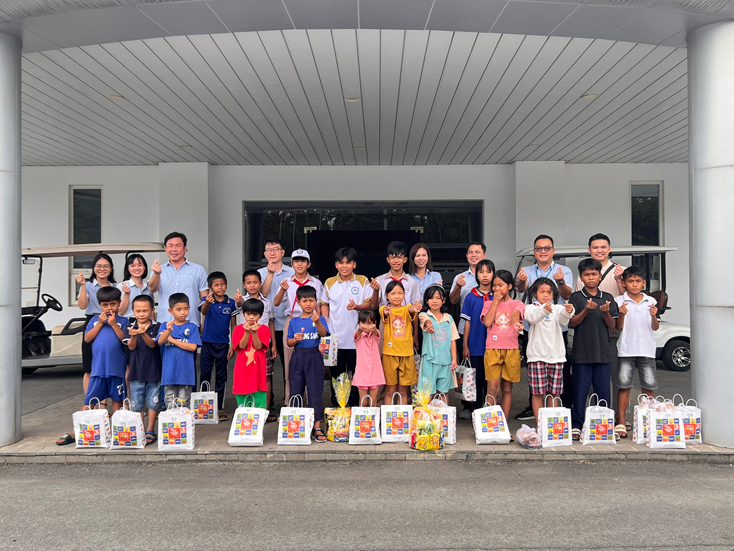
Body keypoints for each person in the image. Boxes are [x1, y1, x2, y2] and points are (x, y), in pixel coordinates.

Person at [515, 234, 574, 420]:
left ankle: (558, 414)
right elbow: (521, 289)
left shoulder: (564, 270)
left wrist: (561, 282)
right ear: (534, 252)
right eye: (539, 249)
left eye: (546, 248)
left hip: (557, 331)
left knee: (560, 378)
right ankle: (536, 413)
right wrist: (522, 281)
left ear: (553, 251)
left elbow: (567, 294)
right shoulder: (526, 269)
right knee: (537, 380)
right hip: (533, 332)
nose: (543, 251)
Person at [574, 233, 627, 418]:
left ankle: (608, 419)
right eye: (595, 247)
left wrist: (620, 280)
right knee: (583, 383)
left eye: (603, 247)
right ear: (589, 250)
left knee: (610, 378)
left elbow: (624, 302)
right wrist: (586, 309)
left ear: (609, 249)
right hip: (585, 339)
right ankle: (584, 419)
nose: (599, 250)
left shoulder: (619, 271)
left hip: (608, 336)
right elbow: (574, 314)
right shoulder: (580, 285)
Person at [568, 258, 619, 440]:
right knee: (580, 391)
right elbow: (571, 323)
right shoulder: (576, 297)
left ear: (599, 276)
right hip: (582, 353)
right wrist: (586, 310)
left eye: (594, 274)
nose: (590, 277)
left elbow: (613, 324)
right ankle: (577, 424)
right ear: (581, 277)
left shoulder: (608, 298)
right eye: (586, 274)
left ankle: (604, 425)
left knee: (603, 391)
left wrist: (605, 312)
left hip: (603, 353)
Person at [321, 247, 373, 407]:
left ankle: (353, 407)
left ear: (354, 264)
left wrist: (357, 307)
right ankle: (337, 408)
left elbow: (369, 304)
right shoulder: (329, 282)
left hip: (357, 338)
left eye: (348, 263)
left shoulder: (363, 280)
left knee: (356, 375)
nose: (345, 266)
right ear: (336, 265)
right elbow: (324, 304)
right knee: (336, 376)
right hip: (335, 339)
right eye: (341, 263)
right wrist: (326, 321)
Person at [614, 266, 659, 439]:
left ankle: (649, 421)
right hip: (626, 349)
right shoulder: (619, 301)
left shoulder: (651, 301)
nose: (634, 285)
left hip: (647, 350)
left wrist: (654, 315)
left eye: (638, 281)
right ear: (624, 283)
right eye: (630, 281)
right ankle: (621, 421)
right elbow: (618, 327)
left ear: (644, 283)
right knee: (624, 386)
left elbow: (655, 327)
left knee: (648, 387)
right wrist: (622, 314)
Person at [273, 248, 323, 404]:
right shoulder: (287, 282)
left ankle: (311, 404)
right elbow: (275, 302)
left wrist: (318, 322)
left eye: (303, 261)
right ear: (292, 264)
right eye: (296, 261)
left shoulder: (316, 283)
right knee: (290, 365)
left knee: (310, 364)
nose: (299, 264)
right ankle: (291, 403)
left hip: (311, 322)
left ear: (308, 264)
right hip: (293, 321)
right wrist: (282, 288)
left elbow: (319, 306)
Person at [524, 278, 575, 424]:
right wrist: (544, 309)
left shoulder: (558, 308)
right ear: (535, 293)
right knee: (538, 392)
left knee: (554, 393)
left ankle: (551, 424)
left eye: (549, 292)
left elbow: (564, 320)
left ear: (553, 293)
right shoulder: (530, 308)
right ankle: (540, 424)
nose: (545, 295)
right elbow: (533, 318)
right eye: (542, 292)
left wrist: (568, 311)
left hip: (556, 356)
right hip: (536, 356)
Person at [286, 286, 330, 443]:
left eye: (311, 300)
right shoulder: (294, 321)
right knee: (296, 390)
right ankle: (296, 424)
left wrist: (318, 321)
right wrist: (295, 339)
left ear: (316, 301)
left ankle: (317, 426)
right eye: (304, 301)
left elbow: (324, 334)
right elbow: (289, 343)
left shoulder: (320, 319)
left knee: (315, 391)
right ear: (298, 303)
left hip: (314, 355)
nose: (308, 304)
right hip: (298, 356)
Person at [234, 270, 278, 421]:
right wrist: (247, 331)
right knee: (246, 377)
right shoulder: (242, 302)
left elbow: (270, 322)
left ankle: (265, 410)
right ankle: (246, 410)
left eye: (255, 282)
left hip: (263, 343)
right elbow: (240, 304)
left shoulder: (266, 303)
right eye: (248, 282)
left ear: (261, 283)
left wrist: (273, 344)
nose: (252, 285)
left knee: (266, 377)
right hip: (245, 350)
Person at [481, 270, 525, 419]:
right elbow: (487, 322)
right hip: (492, 349)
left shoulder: (517, 303)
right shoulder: (488, 303)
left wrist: (515, 323)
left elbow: (515, 314)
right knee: (492, 388)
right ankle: (490, 424)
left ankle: (504, 424)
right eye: (494, 286)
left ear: (510, 286)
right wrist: (495, 302)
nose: (496, 289)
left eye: (500, 285)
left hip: (511, 349)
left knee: (507, 388)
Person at [258, 238, 295, 405]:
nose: (272, 252)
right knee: (265, 369)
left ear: (283, 253)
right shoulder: (259, 273)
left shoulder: (292, 272)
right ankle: (267, 401)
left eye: (276, 249)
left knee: (289, 366)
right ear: (265, 254)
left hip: (287, 325)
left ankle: (288, 400)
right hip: (265, 327)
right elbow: (261, 296)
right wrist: (270, 275)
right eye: (268, 249)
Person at [76, 253, 116, 399]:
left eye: (106, 266)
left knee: (108, 366)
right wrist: (82, 286)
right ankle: (90, 402)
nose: (102, 269)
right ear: (93, 268)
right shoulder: (88, 285)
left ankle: (104, 403)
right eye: (98, 266)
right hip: (93, 323)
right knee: (90, 366)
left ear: (111, 269)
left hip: (111, 324)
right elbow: (82, 305)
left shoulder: (115, 287)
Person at [82, 286, 129, 411]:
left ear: (119, 303)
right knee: (90, 400)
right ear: (100, 305)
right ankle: (79, 429)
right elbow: (87, 338)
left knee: (117, 399)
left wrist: (113, 324)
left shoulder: (123, 321)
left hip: (116, 369)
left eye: (113, 304)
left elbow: (124, 339)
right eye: (105, 305)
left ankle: (116, 428)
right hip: (98, 369)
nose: (109, 308)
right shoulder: (94, 321)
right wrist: (100, 324)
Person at [198, 271, 237, 421]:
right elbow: (204, 311)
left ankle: (219, 407)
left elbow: (233, 326)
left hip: (223, 345)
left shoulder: (231, 303)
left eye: (222, 284)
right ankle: (204, 408)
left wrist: (233, 345)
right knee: (205, 375)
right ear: (210, 287)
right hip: (207, 343)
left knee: (222, 376)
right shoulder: (206, 300)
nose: (220, 287)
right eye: (216, 285)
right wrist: (207, 302)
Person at [148, 231, 208, 327]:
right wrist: (156, 274)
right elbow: (152, 289)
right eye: (170, 246)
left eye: (178, 245)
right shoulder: (158, 269)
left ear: (185, 248)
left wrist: (204, 324)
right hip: (165, 324)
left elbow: (205, 300)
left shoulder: (198, 269)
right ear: (165, 248)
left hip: (191, 323)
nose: (174, 249)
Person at [125, 294, 163, 445]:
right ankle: (139, 429)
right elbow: (132, 347)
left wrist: (143, 333)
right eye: (138, 311)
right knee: (137, 404)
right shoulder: (130, 327)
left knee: (154, 403)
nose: (141, 314)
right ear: (133, 311)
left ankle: (150, 429)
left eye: (145, 311)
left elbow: (153, 345)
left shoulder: (157, 326)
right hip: (136, 372)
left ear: (152, 310)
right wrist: (134, 334)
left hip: (154, 371)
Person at [459, 258, 495, 418]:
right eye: (481, 272)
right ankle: (476, 409)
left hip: (494, 344)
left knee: (491, 379)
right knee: (477, 378)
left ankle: (490, 409)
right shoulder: (471, 296)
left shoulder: (498, 296)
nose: (485, 275)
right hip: (475, 343)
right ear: (476, 275)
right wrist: (465, 345)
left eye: (489, 271)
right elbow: (467, 322)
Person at [380, 281, 422, 406]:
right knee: (390, 389)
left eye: (400, 293)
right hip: (389, 354)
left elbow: (410, 309)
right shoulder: (384, 308)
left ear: (404, 294)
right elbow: (384, 313)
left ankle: (402, 420)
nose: (397, 296)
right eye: (393, 293)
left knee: (403, 390)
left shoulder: (406, 309)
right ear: (386, 295)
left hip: (406, 353)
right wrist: (387, 312)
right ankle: (388, 419)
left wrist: (415, 308)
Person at [157, 293, 201, 408]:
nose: (183, 312)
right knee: (170, 405)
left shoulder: (192, 327)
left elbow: (192, 347)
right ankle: (172, 426)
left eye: (186, 309)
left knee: (183, 405)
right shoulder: (164, 326)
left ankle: (184, 426)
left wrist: (172, 340)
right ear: (170, 311)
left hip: (185, 374)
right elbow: (160, 342)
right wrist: (168, 332)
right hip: (169, 373)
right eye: (178, 309)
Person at [418, 284, 459, 397]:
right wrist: (429, 326)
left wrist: (454, 359)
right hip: (429, 361)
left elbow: (453, 339)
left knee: (443, 393)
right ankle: (428, 415)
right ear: (426, 300)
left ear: (444, 300)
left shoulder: (448, 318)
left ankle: (443, 414)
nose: (434, 301)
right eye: (431, 298)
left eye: (438, 297)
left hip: (445, 361)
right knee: (428, 393)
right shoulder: (423, 315)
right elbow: (426, 322)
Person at [232, 299, 271, 409]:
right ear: (243, 314)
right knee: (242, 392)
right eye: (248, 314)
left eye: (255, 314)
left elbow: (259, 347)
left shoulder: (264, 329)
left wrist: (254, 332)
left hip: (258, 368)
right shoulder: (238, 329)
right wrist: (246, 331)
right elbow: (242, 346)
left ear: (261, 315)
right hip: (242, 368)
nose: (251, 317)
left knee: (258, 393)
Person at [409, 243, 443, 353]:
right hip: (413, 317)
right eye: (418, 256)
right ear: (412, 258)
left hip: (432, 316)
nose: (421, 258)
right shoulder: (408, 278)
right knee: (416, 350)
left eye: (424, 255)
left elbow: (438, 298)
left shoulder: (436, 276)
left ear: (428, 257)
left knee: (433, 349)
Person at [371, 241, 420, 309]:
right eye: (393, 257)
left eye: (399, 257)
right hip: (387, 318)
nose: (396, 260)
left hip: (406, 319)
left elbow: (415, 307)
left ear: (405, 259)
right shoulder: (380, 280)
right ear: (388, 260)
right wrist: (375, 290)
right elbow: (373, 306)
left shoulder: (412, 282)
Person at [352, 309, 384, 407]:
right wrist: (360, 329)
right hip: (362, 372)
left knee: (373, 401)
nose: (366, 325)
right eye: (363, 322)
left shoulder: (376, 334)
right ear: (358, 323)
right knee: (363, 401)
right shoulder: (358, 335)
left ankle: (373, 421)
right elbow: (357, 334)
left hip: (375, 372)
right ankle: (363, 420)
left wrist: (373, 328)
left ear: (375, 323)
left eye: (369, 323)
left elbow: (376, 332)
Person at [118, 254, 153, 319]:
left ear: (144, 267)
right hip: (128, 322)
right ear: (128, 268)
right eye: (132, 266)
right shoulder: (121, 286)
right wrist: (126, 294)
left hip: (146, 323)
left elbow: (151, 312)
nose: (136, 268)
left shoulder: (148, 288)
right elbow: (121, 312)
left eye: (140, 265)